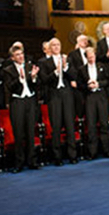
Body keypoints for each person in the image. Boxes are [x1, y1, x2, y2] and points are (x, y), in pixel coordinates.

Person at [1, 43, 40, 172]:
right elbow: (10, 87)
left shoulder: (29, 66)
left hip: (30, 100)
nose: (20, 56)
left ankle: (32, 161)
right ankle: (19, 163)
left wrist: (33, 78)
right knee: (18, 133)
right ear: (12, 58)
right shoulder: (8, 70)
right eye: (17, 55)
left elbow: (37, 85)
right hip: (17, 101)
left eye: (21, 54)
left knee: (30, 132)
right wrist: (20, 79)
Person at [39, 38, 78, 166]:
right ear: (50, 48)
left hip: (67, 94)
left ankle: (73, 155)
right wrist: (56, 71)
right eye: (54, 45)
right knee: (56, 126)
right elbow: (44, 80)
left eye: (58, 45)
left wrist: (65, 67)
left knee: (70, 125)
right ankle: (57, 157)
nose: (56, 47)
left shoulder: (68, 59)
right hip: (54, 95)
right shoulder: (44, 62)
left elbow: (74, 76)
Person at [77, 47, 109, 159]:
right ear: (86, 57)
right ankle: (93, 152)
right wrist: (87, 86)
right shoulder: (82, 70)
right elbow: (79, 85)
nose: (91, 59)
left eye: (93, 56)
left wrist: (98, 84)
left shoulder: (102, 66)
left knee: (104, 123)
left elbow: (108, 81)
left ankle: (106, 150)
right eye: (89, 57)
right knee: (91, 125)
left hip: (101, 96)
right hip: (90, 97)